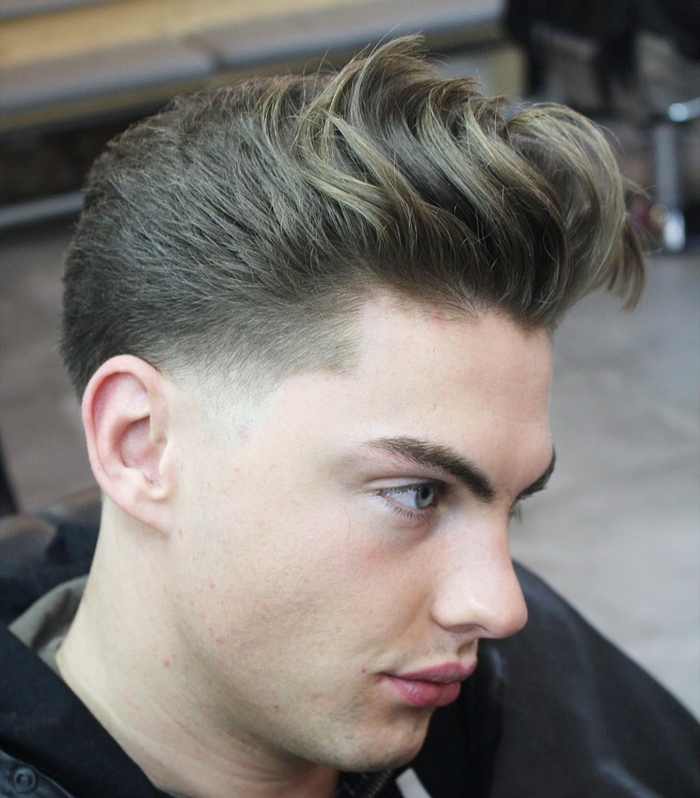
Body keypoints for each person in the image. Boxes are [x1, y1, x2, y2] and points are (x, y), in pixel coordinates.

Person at [1, 35, 698, 798]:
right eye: (416, 493)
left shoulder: (513, 696)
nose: (499, 607)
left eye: (511, 504)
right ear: (140, 445)